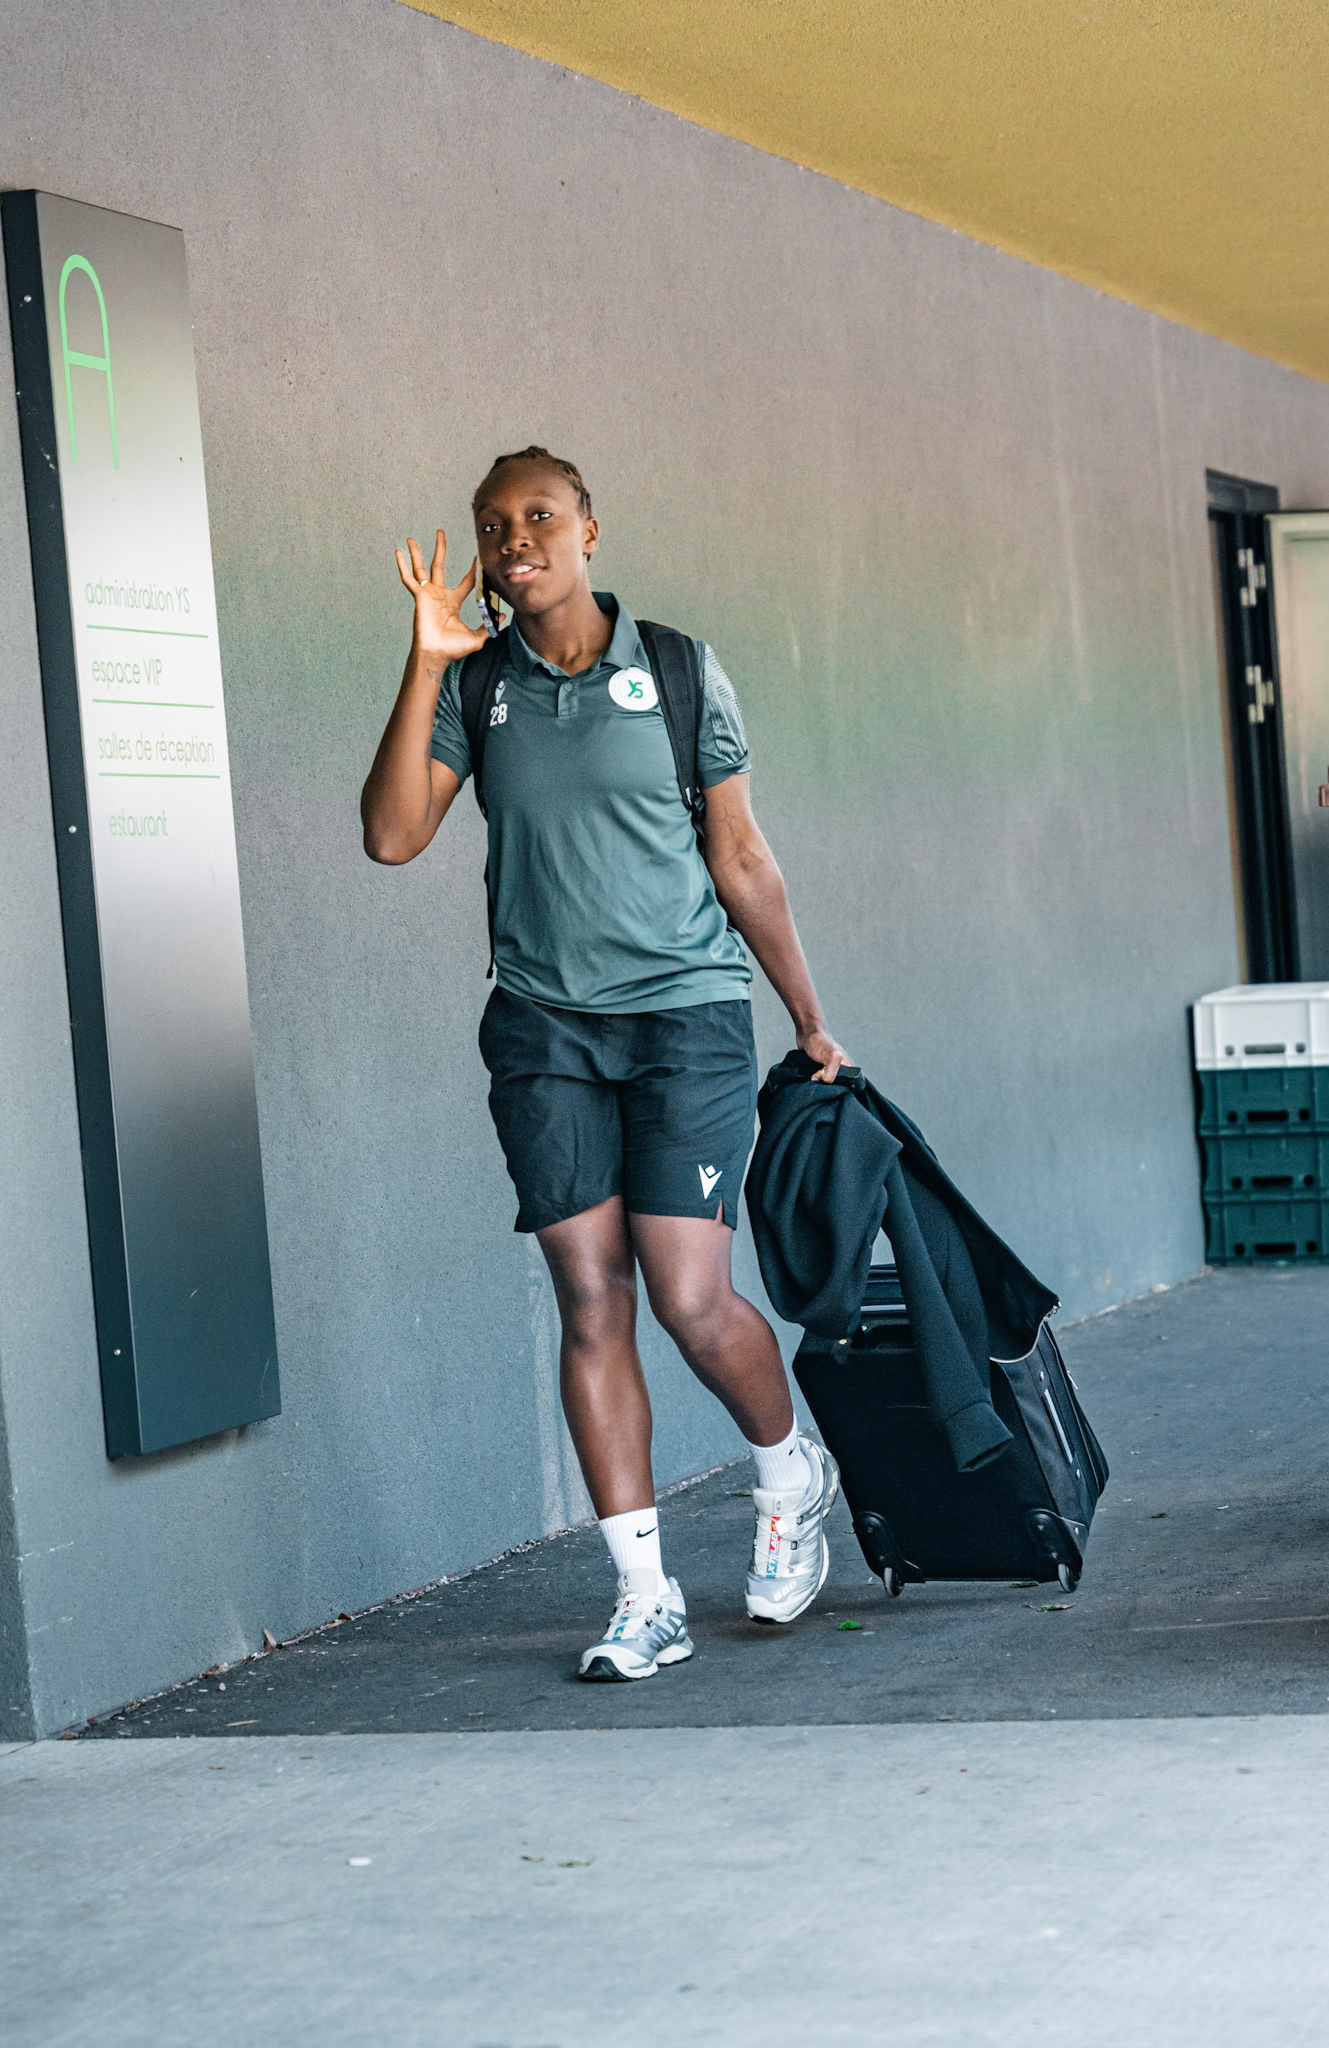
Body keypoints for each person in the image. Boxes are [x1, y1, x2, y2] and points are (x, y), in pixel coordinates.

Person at [361, 446, 850, 1681]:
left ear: (590, 529)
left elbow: (739, 856)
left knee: (689, 1297)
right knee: (591, 1296)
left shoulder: (678, 671)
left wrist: (807, 1013)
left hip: (684, 1015)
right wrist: (425, 666)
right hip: (543, 1031)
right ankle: (645, 1593)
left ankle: (790, 1467)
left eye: (537, 515)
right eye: (491, 525)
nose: (512, 538)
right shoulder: (480, 691)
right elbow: (391, 834)